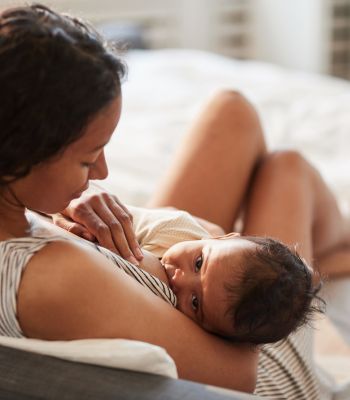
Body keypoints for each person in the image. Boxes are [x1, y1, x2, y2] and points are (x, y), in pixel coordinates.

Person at [0, 4, 349, 399]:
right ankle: (335, 254)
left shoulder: (21, 213)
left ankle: (329, 254)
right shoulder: (53, 277)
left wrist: (59, 207)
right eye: (86, 158)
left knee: (232, 112)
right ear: (24, 154)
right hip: (260, 351)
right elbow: (239, 372)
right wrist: (212, 242)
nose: (101, 172)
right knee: (288, 170)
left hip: (179, 277)